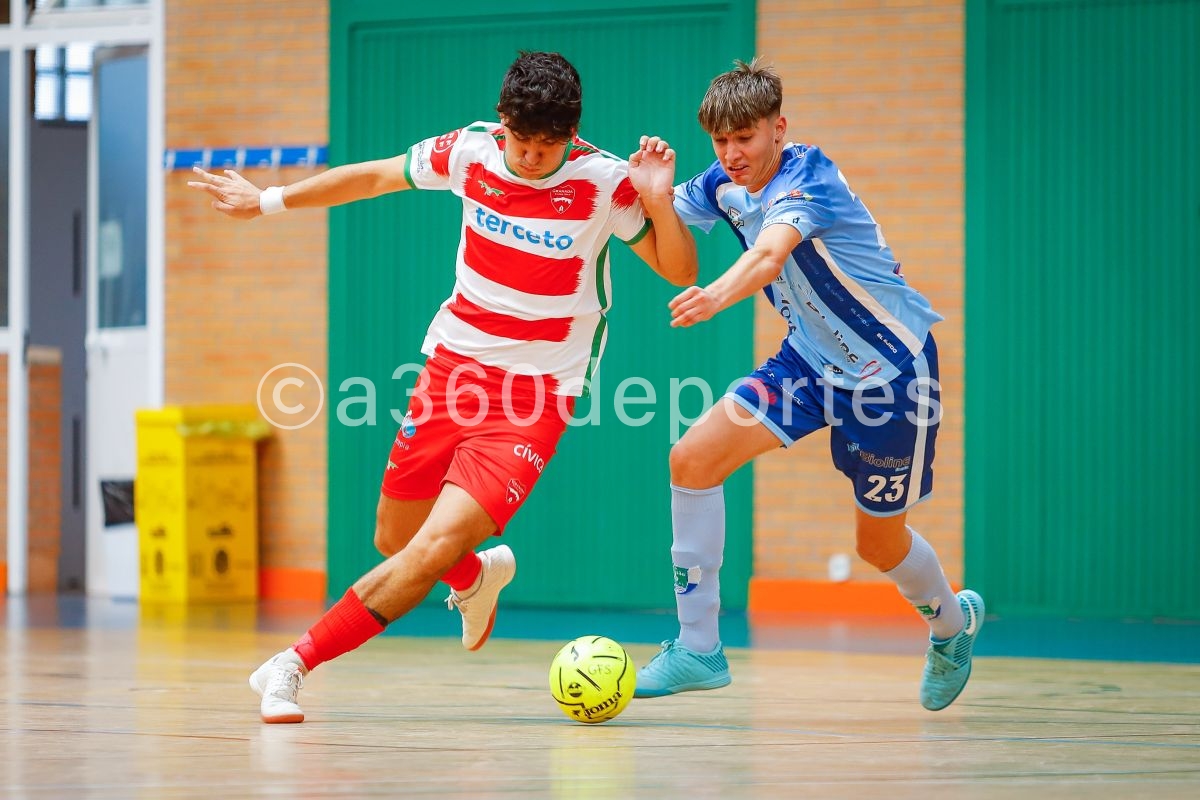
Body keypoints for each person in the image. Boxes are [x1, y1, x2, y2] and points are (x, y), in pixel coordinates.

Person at [188, 51, 697, 723]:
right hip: (451, 371)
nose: (535, 157)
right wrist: (268, 201)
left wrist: (660, 201)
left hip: (533, 399)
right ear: (502, 122)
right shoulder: (471, 152)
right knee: (395, 537)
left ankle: (293, 664)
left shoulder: (605, 183)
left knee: (429, 547)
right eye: (523, 141)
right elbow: (371, 177)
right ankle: (476, 576)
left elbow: (679, 270)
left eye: (550, 145)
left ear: (572, 133)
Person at [634, 57, 983, 711]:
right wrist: (654, 192)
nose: (732, 155)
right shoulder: (720, 182)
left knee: (876, 543)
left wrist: (712, 296)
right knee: (692, 458)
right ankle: (698, 649)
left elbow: (768, 256)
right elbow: (664, 235)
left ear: (778, 129)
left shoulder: (809, 177)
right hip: (806, 365)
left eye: (745, 138)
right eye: (721, 141)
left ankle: (951, 626)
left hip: (892, 376)